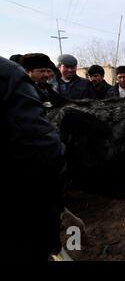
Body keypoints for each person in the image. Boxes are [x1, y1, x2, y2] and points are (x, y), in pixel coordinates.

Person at [0, 56, 65, 259]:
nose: (47, 75)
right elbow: (43, 148)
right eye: (41, 70)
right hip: (20, 202)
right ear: (28, 71)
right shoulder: (8, 75)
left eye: (49, 71)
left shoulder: (47, 91)